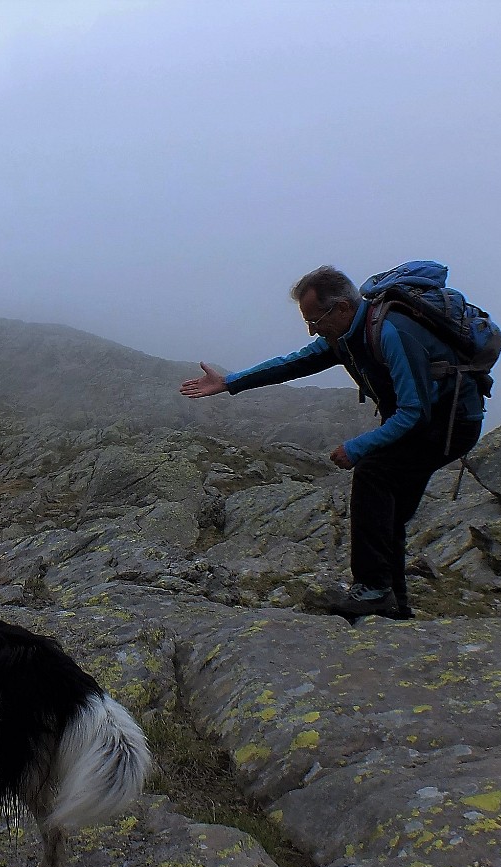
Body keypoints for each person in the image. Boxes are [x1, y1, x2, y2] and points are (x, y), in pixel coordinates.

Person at [179, 265, 484, 620]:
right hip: (430, 421)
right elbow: (292, 364)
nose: (312, 330)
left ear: (341, 308)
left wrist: (357, 447)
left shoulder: (391, 332)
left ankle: (373, 592)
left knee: (374, 474)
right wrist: (231, 382)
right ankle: (392, 603)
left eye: (315, 319)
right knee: (390, 509)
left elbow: (414, 412)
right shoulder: (347, 335)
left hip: (450, 424)